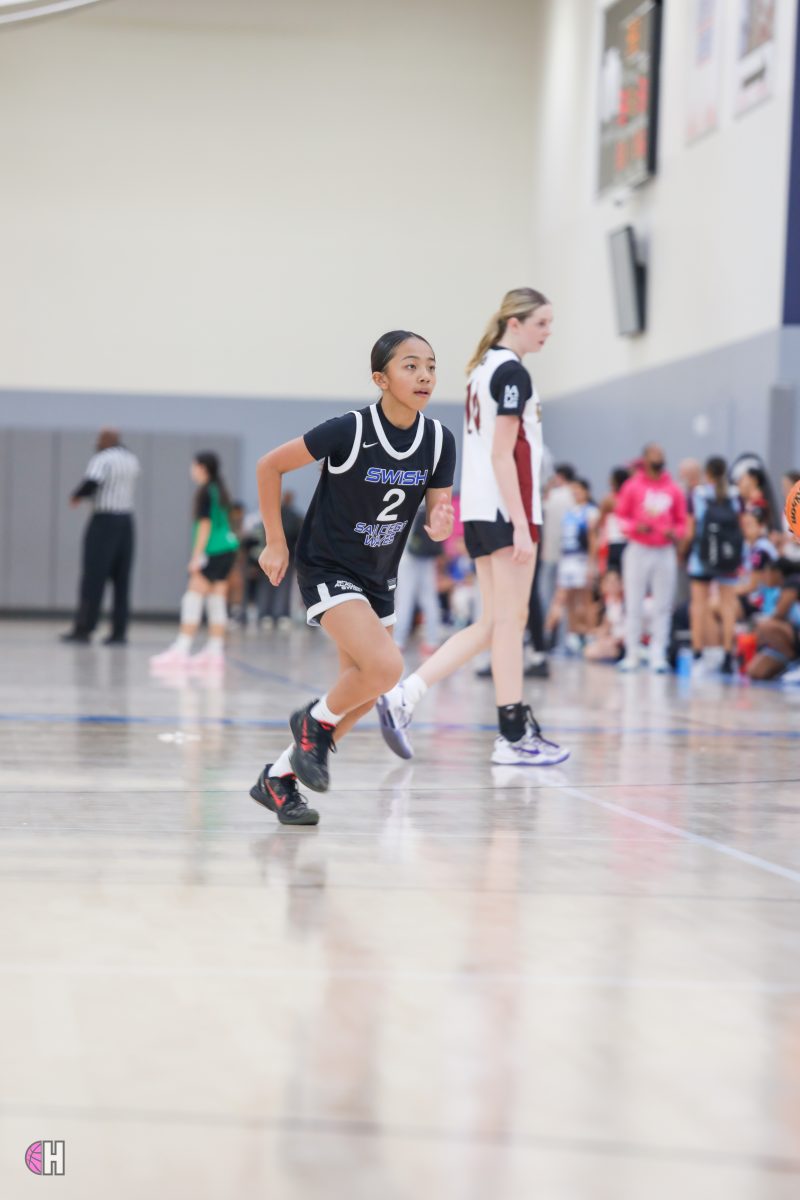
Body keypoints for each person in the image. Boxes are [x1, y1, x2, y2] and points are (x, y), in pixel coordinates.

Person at [250, 330, 456, 826]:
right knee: (386, 668)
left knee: (361, 694)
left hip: (378, 577)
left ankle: (278, 779)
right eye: (411, 365)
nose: (425, 375)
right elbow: (269, 466)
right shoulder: (350, 429)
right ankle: (312, 721)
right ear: (380, 379)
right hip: (327, 566)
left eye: (431, 366)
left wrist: (441, 522)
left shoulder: (438, 440)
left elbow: (438, 512)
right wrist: (275, 541)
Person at [376, 288, 570, 768]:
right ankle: (512, 735)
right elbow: (503, 453)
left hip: (483, 509)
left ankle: (406, 695)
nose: (549, 332)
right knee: (510, 622)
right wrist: (522, 524)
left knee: (492, 623)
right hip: (506, 510)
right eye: (542, 323)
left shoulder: (483, 368)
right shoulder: (510, 372)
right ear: (514, 323)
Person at [150, 452, 240, 670]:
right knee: (216, 599)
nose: (192, 470)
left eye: (194, 466)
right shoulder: (220, 490)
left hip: (214, 550)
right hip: (228, 549)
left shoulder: (205, 491)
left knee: (193, 597)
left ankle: (181, 649)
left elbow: (205, 525)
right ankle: (215, 652)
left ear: (202, 468)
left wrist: (197, 556)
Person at [61, 429, 140, 645]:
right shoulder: (131, 459)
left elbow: (92, 482)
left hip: (104, 521)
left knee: (93, 577)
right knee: (122, 580)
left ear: (104, 440)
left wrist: (76, 496)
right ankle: (119, 631)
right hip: (126, 521)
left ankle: (84, 628)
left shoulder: (103, 459)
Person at [615, 443, 688, 673]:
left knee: (663, 605)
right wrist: (636, 527)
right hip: (638, 548)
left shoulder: (674, 489)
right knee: (633, 602)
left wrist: (675, 533)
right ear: (645, 458)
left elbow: (682, 522)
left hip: (664, 550)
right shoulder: (632, 486)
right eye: (654, 454)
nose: (659, 458)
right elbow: (620, 517)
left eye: (661, 454)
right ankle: (632, 653)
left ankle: (659, 654)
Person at [685, 455, 743, 675]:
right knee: (728, 605)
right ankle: (728, 655)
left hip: (701, 557)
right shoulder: (735, 495)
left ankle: (698, 654)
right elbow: (741, 528)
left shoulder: (698, 494)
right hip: (729, 557)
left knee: (698, 605)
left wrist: (682, 550)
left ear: (707, 473)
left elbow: (691, 529)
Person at [545, 476, 599, 653]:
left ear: (586, 492)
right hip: (567, 559)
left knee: (585, 599)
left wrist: (591, 564)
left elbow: (593, 540)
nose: (575, 493)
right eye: (573, 490)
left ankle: (589, 634)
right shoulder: (569, 512)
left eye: (578, 490)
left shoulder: (590, 512)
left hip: (581, 559)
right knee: (568, 600)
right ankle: (573, 635)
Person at [394, 507, 444, 652]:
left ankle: (398, 640)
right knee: (429, 598)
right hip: (427, 555)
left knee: (404, 598)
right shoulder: (428, 501)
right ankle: (432, 640)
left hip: (407, 555)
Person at [258, 490, 304, 629]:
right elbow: (300, 536)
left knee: (268, 584)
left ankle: (265, 614)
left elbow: (262, 532)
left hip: (271, 554)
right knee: (283, 585)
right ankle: (281, 614)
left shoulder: (272, 515)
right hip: (287, 555)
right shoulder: (295, 516)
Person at [539, 463, 576, 623]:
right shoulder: (574, 495)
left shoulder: (553, 496)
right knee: (566, 597)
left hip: (550, 552)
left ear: (559, 477)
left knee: (547, 594)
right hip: (570, 553)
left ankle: (548, 629)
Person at [597, 466, 630, 575]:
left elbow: (600, 521)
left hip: (614, 541)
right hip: (627, 540)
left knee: (613, 574)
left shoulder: (609, 499)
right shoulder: (631, 498)